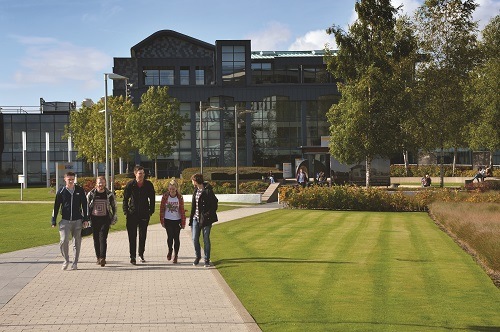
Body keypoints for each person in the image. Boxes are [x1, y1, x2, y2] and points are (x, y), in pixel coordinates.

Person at [51, 171, 89, 271]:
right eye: (69, 179)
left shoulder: (79, 190)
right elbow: (56, 206)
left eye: (73, 179)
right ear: (65, 179)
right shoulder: (61, 191)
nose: (71, 181)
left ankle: (75, 263)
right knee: (64, 241)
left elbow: (85, 205)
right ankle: (66, 260)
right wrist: (53, 220)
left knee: (77, 242)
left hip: (77, 221)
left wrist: (86, 219)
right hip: (65, 221)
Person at [123, 165, 156, 265]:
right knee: (132, 236)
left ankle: (141, 254)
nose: (142, 175)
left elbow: (152, 198)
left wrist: (151, 210)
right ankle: (132, 256)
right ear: (135, 174)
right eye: (140, 173)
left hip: (144, 214)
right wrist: (126, 211)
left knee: (143, 236)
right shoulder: (130, 184)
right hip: (132, 214)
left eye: (143, 173)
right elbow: (125, 199)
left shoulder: (148, 185)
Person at [87, 176, 117, 267]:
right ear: (96, 183)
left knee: (103, 238)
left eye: (102, 182)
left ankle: (103, 258)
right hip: (94, 219)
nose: (101, 184)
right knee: (96, 239)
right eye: (99, 182)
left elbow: (114, 206)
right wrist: (86, 219)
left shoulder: (109, 194)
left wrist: (114, 217)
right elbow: (86, 206)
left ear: (105, 183)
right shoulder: (91, 194)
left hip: (105, 219)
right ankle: (98, 257)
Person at [189, 173, 218, 267]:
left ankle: (206, 259)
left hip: (206, 219)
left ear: (196, 180)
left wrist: (207, 215)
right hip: (195, 218)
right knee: (194, 238)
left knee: (206, 239)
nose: (192, 182)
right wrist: (191, 219)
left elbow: (214, 204)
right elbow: (194, 206)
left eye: (193, 180)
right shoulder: (195, 190)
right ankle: (198, 256)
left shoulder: (208, 191)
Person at [159, 178, 186, 264]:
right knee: (170, 237)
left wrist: (183, 222)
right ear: (168, 189)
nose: (172, 190)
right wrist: (162, 221)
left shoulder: (180, 197)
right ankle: (170, 250)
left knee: (176, 238)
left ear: (176, 188)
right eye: (170, 189)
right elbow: (162, 209)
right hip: (168, 220)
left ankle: (176, 255)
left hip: (177, 220)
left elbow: (182, 210)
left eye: (173, 189)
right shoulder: (165, 196)